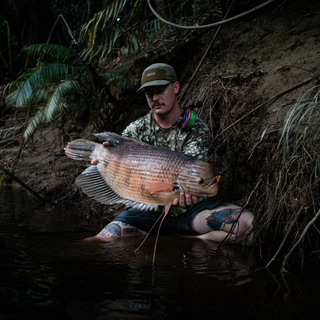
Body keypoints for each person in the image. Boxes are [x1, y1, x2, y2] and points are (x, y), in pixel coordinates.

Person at [88, 63, 254, 245]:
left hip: (191, 213)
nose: (155, 98)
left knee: (247, 226)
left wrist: (185, 192)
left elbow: (197, 178)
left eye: (160, 90)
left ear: (175, 87)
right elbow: (118, 163)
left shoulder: (196, 129)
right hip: (145, 213)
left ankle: (191, 241)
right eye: (149, 93)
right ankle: (180, 242)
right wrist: (103, 161)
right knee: (101, 242)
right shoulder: (136, 129)